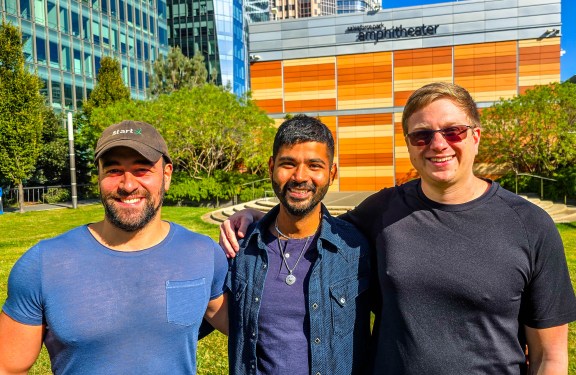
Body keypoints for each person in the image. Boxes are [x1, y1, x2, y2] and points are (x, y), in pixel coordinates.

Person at [220, 83, 576, 374]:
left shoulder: (531, 226)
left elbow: (550, 357)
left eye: (453, 131)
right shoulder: (384, 210)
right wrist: (254, 214)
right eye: (422, 136)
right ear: (408, 145)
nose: (438, 144)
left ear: (476, 136)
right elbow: (310, 218)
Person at [0, 120, 228, 374]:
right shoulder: (44, 264)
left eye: (142, 169)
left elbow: (261, 327)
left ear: (167, 176)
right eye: (114, 170)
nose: (127, 185)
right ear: (98, 176)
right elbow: (8, 367)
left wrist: (266, 221)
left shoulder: (202, 253)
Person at [226, 115, 371, 374]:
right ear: (271, 167)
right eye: (288, 163)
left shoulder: (356, 248)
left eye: (314, 165)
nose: (300, 177)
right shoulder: (241, 249)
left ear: (332, 172)